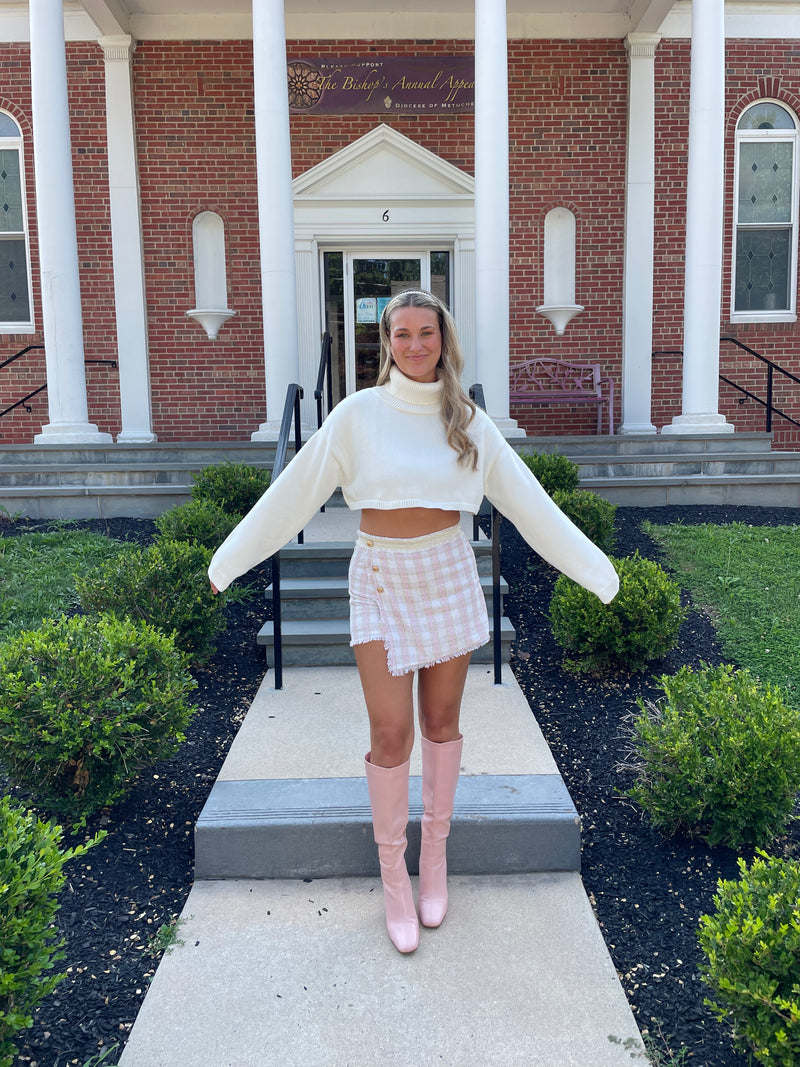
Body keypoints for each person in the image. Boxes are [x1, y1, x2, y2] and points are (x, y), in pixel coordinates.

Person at [208, 289, 618, 954]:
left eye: (426, 332)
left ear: (443, 339)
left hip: (448, 570)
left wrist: (596, 572)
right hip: (378, 574)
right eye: (402, 333)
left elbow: (530, 502)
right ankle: (394, 874)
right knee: (391, 730)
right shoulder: (357, 414)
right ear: (387, 343)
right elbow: (294, 492)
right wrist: (228, 561)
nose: (415, 344)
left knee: (441, 722)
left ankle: (435, 858)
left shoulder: (469, 422)